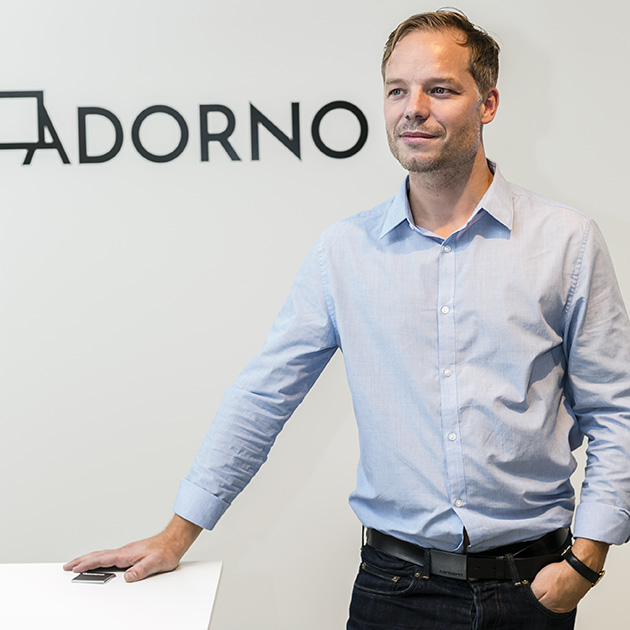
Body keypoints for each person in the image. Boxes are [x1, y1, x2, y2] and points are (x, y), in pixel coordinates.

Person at [64, 9, 630, 629]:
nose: (413, 109)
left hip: (531, 588)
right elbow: (264, 396)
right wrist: (178, 534)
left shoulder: (566, 242)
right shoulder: (345, 252)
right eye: (397, 91)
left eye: (440, 89)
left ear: (488, 103)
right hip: (394, 591)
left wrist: (587, 561)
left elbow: (615, 409)